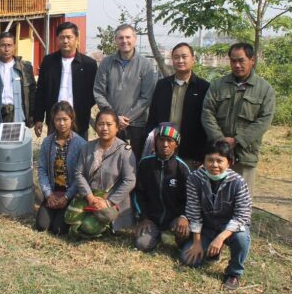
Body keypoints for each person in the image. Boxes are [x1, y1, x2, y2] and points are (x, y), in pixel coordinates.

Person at [201, 42, 275, 192]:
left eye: (241, 60)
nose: (237, 65)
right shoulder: (218, 85)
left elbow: (263, 121)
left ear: (252, 60)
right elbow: (207, 112)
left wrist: (236, 141)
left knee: (241, 200)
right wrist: (221, 140)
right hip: (217, 154)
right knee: (213, 198)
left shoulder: (264, 89)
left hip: (245, 155)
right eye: (233, 61)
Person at [180, 139, 252, 290]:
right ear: (204, 161)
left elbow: (242, 216)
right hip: (207, 227)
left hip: (229, 228)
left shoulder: (238, 182)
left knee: (242, 237)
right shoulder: (194, 178)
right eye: (210, 160)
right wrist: (197, 242)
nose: (214, 165)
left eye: (220, 161)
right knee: (188, 259)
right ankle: (212, 253)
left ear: (229, 162)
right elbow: (193, 211)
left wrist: (220, 237)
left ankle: (234, 273)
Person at [68, 109, 136, 237]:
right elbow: (79, 173)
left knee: (89, 224)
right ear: (95, 127)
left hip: (112, 201)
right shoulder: (87, 147)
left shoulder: (125, 151)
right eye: (100, 124)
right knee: (68, 219)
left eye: (109, 124)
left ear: (117, 128)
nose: (104, 128)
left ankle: (106, 226)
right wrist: (90, 197)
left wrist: (108, 202)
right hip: (91, 199)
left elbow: (130, 181)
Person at [93, 23, 156, 160]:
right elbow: (99, 92)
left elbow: (146, 97)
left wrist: (127, 118)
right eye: (120, 38)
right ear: (115, 40)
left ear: (135, 39)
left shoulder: (145, 65)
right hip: (111, 125)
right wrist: (115, 117)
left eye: (128, 37)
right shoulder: (106, 63)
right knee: (111, 161)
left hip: (136, 125)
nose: (124, 41)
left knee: (135, 161)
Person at [146, 43, 210, 169]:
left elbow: (205, 123)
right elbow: (153, 116)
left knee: (187, 186)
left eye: (184, 56)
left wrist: (200, 153)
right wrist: (152, 144)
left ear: (193, 59)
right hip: (163, 147)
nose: (180, 60)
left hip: (189, 150)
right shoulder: (162, 85)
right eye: (176, 57)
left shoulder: (204, 87)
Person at [132, 123, 190, 252]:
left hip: (174, 218)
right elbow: (138, 193)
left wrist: (184, 217)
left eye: (170, 141)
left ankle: (173, 238)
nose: (165, 144)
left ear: (176, 144)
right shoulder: (145, 164)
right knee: (142, 244)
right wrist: (144, 218)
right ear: (156, 142)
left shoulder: (182, 168)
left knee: (185, 234)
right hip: (151, 218)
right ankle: (156, 234)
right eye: (161, 140)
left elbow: (190, 198)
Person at [34, 22, 98, 139]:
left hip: (79, 120)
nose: (65, 41)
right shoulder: (48, 62)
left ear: (77, 39)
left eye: (69, 37)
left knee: (78, 154)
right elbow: (41, 91)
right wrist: (38, 118)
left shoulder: (89, 64)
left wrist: (82, 106)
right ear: (57, 39)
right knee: (56, 154)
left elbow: (94, 92)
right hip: (55, 120)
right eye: (62, 37)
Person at [35, 101, 87, 235]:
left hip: (70, 195)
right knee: (41, 226)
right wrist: (48, 194)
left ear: (71, 119)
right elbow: (42, 169)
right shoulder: (47, 142)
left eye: (65, 119)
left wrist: (67, 197)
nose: (62, 123)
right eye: (58, 119)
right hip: (52, 193)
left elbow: (80, 175)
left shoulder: (81, 144)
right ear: (53, 120)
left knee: (58, 230)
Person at [0, 31, 36, 129]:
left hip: (18, 114)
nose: (6, 49)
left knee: (17, 143)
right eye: (3, 45)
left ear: (14, 47)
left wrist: (32, 116)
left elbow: (32, 93)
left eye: (9, 45)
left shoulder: (25, 67)